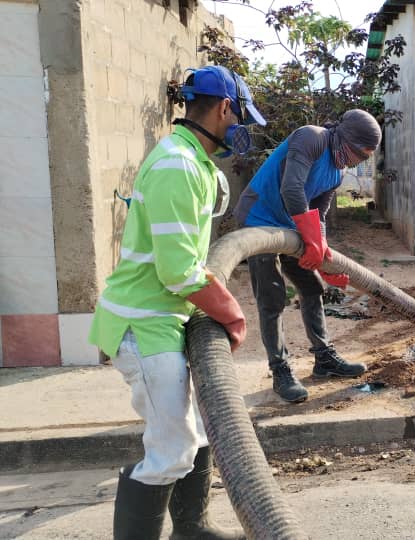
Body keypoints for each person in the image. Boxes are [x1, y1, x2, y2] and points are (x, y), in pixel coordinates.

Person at [88, 65, 265, 539]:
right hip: (143, 324)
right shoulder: (178, 166)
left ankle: (193, 528)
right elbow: (177, 270)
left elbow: (186, 257)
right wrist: (230, 312)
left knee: (198, 434)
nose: (239, 128)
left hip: (165, 317)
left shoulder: (192, 160)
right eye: (239, 116)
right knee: (171, 451)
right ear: (224, 107)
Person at [233, 110, 382, 403]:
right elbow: (292, 189)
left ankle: (324, 358)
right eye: (357, 154)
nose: (357, 162)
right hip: (258, 220)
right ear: (344, 139)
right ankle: (280, 370)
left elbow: (320, 213)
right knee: (272, 297)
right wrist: (311, 240)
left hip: (290, 226)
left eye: (364, 158)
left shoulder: (336, 174)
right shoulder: (311, 138)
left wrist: (323, 255)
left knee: (313, 287)